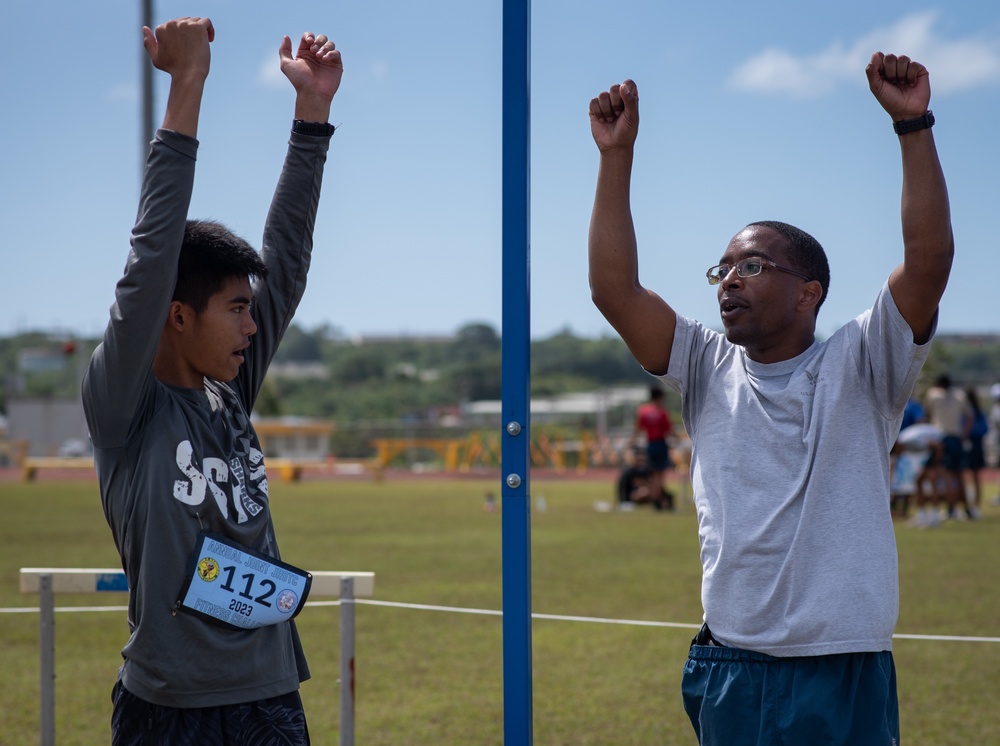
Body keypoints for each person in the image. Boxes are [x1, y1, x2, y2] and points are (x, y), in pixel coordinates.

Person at [588, 50, 951, 745]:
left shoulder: (862, 361)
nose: (729, 280)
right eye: (722, 268)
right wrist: (616, 157)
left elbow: (929, 262)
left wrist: (914, 127)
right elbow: (615, 291)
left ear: (809, 291)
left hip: (839, 662)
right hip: (732, 660)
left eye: (753, 265)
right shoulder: (704, 364)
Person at [81, 17, 342, 744]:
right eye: (235, 310)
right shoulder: (123, 408)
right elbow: (151, 252)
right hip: (167, 711)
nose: (253, 327)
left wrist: (311, 118)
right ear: (175, 316)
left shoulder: (230, 387)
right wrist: (188, 85)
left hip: (270, 700)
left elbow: (283, 260)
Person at [923, 374, 973, 519]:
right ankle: (966, 507)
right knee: (960, 474)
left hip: (941, 437)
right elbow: (970, 417)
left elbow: (927, 414)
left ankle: (951, 509)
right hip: (956, 437)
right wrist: (964, 434)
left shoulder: (933, 394)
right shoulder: (960, 395)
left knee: (947, 475)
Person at [631, 385, 674, 506]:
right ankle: (658, 499)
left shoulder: (643, 411)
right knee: (660, 475)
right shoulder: (662, 412)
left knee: (653, 473)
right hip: (661, 444)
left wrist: (631, 442)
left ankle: (657, 498)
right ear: (660, 397)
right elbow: (669, 431)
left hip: (650, 445)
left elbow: (638, 429)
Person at [962, 387, 987, 518]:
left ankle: (974, 506)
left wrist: (967, 434)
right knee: (970, 477)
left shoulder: (975, 413)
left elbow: (983, 429)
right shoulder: (973, 412)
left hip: (973, 444)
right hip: (972, 445)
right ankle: (971, 505)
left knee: (972, 476)